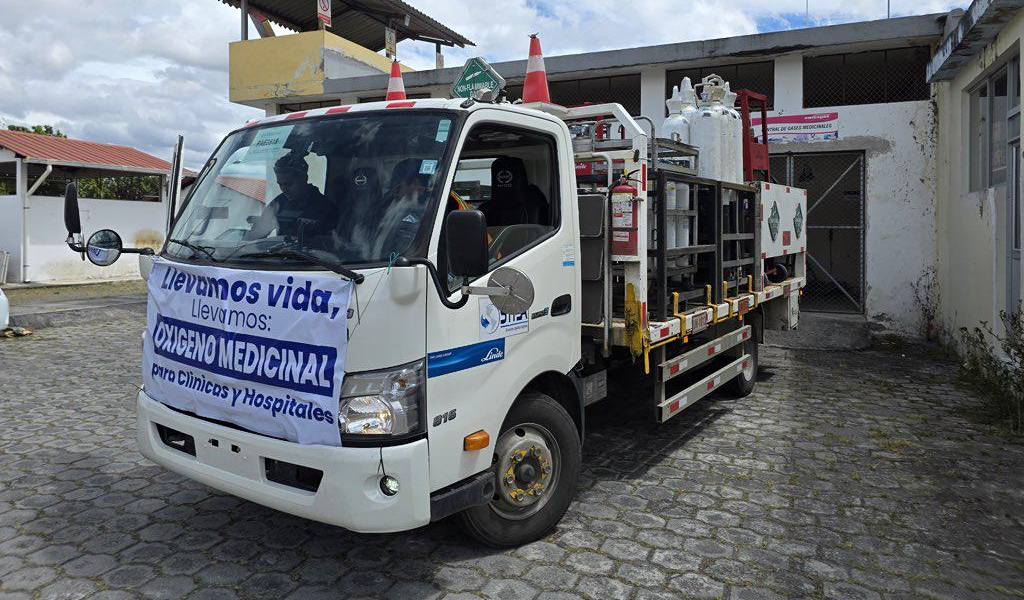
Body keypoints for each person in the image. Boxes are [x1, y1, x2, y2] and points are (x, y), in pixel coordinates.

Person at [249, 152, 337, 241]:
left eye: (289, 184)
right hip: (280, 249)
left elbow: (332, 243)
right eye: (280, 184)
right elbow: (256, 236)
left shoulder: (325, 207)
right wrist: (258, 227)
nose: (284, 189)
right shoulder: (278, 203)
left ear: (304, 179)